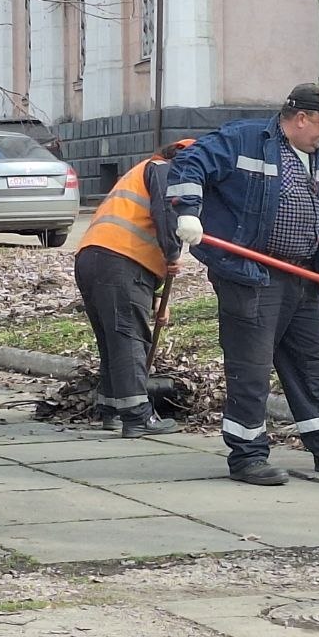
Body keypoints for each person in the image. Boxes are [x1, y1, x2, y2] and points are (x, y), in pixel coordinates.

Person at [166, 83, 319, 485]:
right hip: (252, 275)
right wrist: (189, 213)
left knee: (314, 362)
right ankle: (247, 455)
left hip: (305, 278)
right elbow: (187, 165)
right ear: (301, 119)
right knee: (250, 367)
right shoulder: (243, 140)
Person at [74, 141, 191, 438]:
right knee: (129, 337)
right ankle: (138, 415)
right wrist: (173, 253)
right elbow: (166, 215)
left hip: (93, 257)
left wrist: (155, 293)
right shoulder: (166, 171)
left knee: (112, 337)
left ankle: (112, 407)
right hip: (120, 260)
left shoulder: (140, 172)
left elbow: (139, 230)